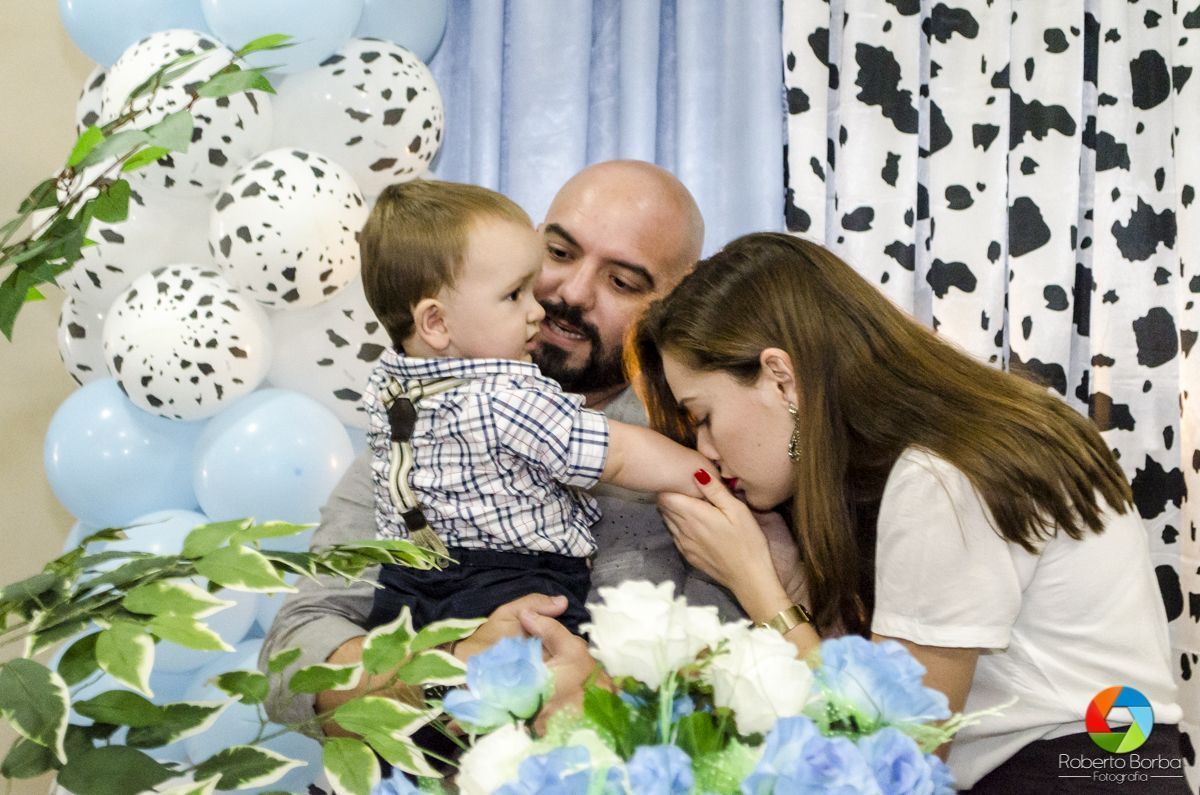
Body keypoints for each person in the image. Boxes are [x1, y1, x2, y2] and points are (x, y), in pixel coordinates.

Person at [615, 232, 1184, 791]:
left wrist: (756, 584)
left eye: (704, 416)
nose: (706, 450)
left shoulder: (942, 477)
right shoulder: (976, 438)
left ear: (781, 379)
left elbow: (895, 755)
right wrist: (788, 573)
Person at [261, 160, 755, 734]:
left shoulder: (699, 442)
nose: (570, 293)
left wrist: (602, 695)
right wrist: (449, 667)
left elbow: (736, 677)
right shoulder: (423, 423)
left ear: (674, 303)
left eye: (622, 282)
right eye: (559, 253)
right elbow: (291, 664)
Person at [357, 179, 710, 635]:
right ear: (437, 322)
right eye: (557, 255)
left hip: (403, 587)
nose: (542, 308)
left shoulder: (389, 389)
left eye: (621, 282)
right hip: (509, 582)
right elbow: (620, 454)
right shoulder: (510, 397)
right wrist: (705, 474)